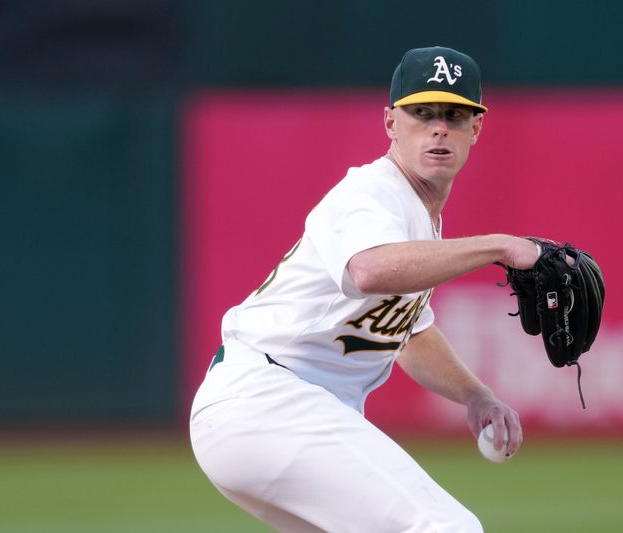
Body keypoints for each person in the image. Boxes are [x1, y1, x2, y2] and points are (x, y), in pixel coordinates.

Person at [189, 46, 541, 532]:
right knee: (445, 528)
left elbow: (410, 332)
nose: (439, 127)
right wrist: (500, 245)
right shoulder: (371, 193)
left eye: (455, 115)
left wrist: (475, 395)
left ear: (475, 129)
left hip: (264, 418)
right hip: (269, 398)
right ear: (390, 123)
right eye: (422, 113)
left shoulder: (418, 218)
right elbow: (370, 271)